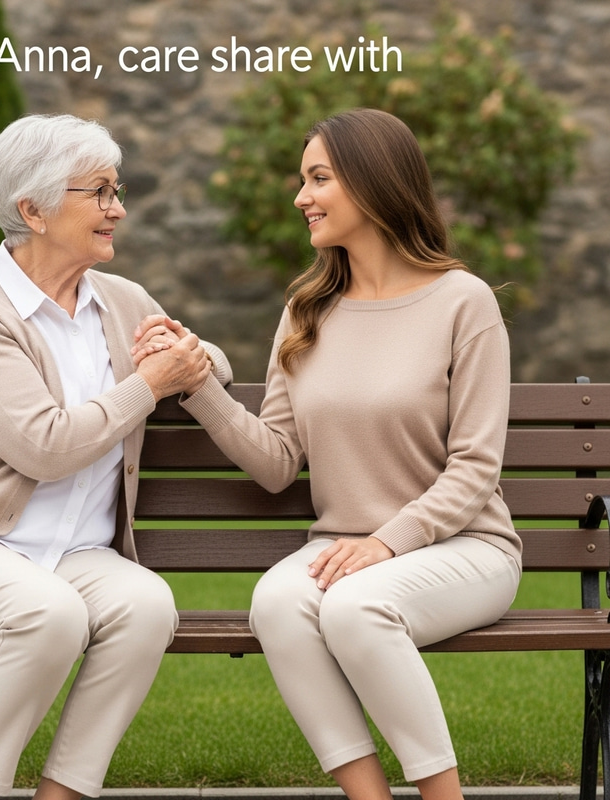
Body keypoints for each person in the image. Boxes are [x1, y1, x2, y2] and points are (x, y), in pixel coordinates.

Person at [0, 113, 231, 800]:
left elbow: (207, 359)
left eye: (116, 190)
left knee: (147, 605)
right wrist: (148, 383)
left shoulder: (121, 300)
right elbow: (45, 446)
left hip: (76, 555)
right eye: (99, 192)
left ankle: (63, 795)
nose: (118, 210)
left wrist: (184, 354)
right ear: (32, 210)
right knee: (50, 614)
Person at [174, 108, 522, 800]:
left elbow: (477, 466)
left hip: (465, 546)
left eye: (319, 178)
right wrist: (195, 386)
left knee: (356, 608)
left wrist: (387, 542)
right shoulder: (307, 310)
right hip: (345, 550)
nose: (302, 197)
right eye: (303, 179)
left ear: (374, 182)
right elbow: (277, 461)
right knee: (275, 601)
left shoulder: (464, 302)